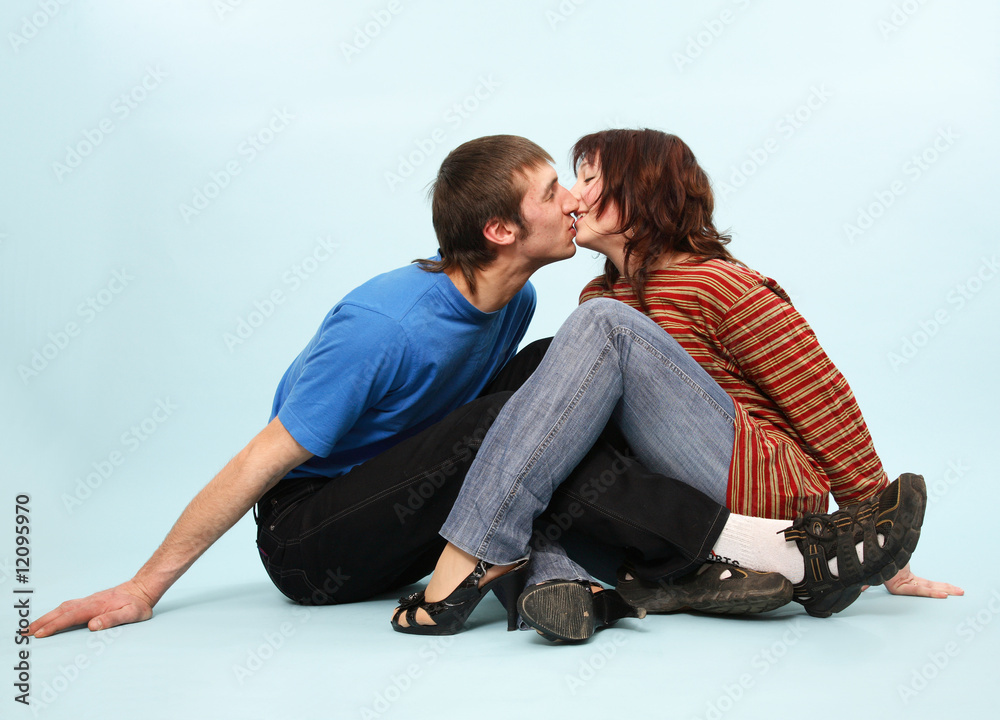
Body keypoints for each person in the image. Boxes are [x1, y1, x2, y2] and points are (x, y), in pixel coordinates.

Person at [27, 135, 783, 641]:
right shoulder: (384, 326)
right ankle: (742, 546)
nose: (573, 202)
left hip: (418, 498)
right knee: (510, 418)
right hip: (313, 538)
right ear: (500, 231)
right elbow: (260, 460)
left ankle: (582, 581)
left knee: (550, 373)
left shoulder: (515, 301)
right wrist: (142, 588)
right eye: (553, 190)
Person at [393, 129, 960, 641]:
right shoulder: (601, 295)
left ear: (642, 193)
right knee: (543, 426)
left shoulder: (717, 284)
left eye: (588, 179)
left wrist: (877, 539)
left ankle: (475, 555)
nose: (573, 196)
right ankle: (569, 584)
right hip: (674, 506)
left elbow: (823, 401)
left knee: (597, 334)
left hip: (764, 483)